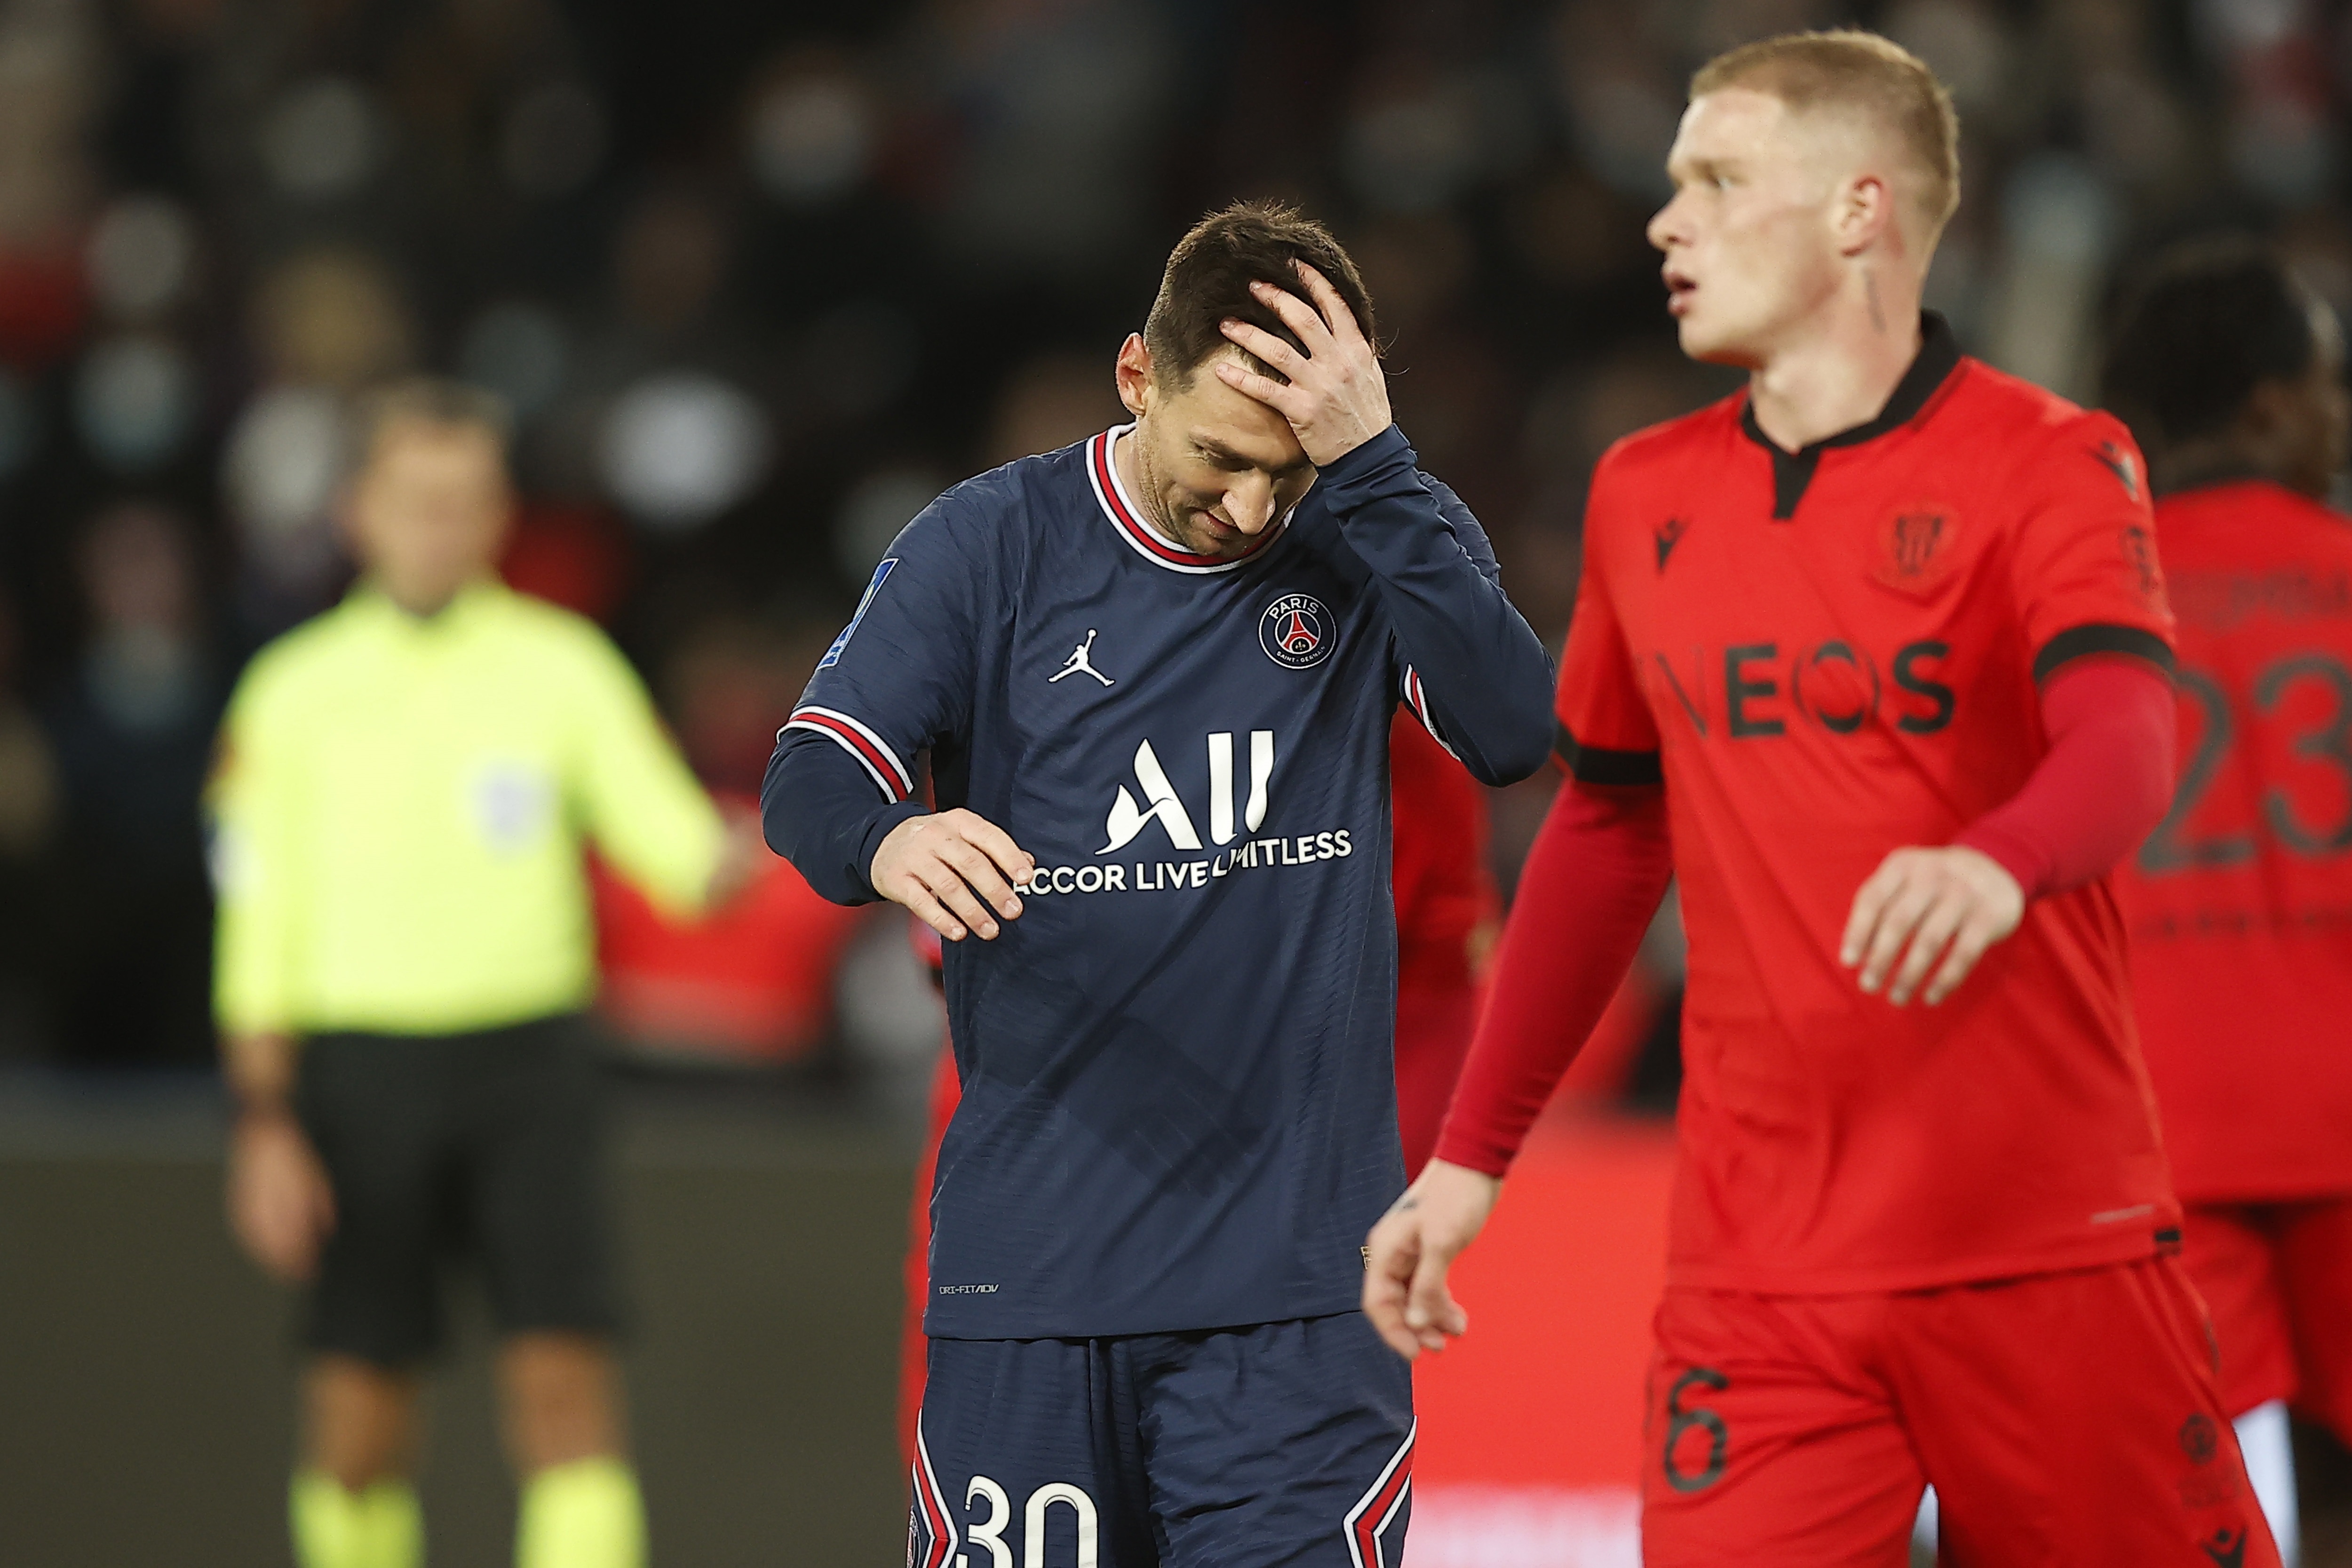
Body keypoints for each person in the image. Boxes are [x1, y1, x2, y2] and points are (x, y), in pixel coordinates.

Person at [1364, 30, 2281, 1567]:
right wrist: (1469, 1157)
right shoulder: (1643, 491)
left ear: (1861, 210)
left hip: (2044, 1248)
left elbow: (2130, 731)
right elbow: (1606, 833)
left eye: (1718, 180)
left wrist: (2003, 862)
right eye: (1670, 186)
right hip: (1757, 1275)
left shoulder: (2050, 463)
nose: (1668, 221)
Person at [763, 201, 1551, 1566]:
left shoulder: (1366, 526)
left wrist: (1370, 468)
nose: (1251, 507)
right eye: (1220, 457)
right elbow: (811, 775)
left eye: (1284, 471)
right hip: (1039, 1275)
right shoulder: (988, 545)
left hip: (1300, 1304)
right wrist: (890, 838)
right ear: (1138, 375)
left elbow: (1511, 727)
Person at [211, 379, 751, 1568]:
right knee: (359, 1410)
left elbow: (679, 849)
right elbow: (256, 928)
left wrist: (837, 825)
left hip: (530, 1067)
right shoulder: (290, 693)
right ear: (359, 511)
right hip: (358, 1073)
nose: (439, 527)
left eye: (464, 502)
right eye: (416, 500)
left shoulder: (562, 667)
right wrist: (262, 1117)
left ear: (499, 513)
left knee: (565, 1385)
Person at [892, 709, 1501, 1457]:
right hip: (1029, 1246)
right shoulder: (1005, 658)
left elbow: (1433, 980)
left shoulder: (1378, 714)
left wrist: (1361, 1228)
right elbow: (970, 977)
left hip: (1272, 1263)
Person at [2102, 240, 2352, 1565]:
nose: (2340, 415)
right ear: (2268, 403)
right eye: (2330, 384)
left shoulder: (2078, 595)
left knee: (2215, 1515)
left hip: (2162, 1135)